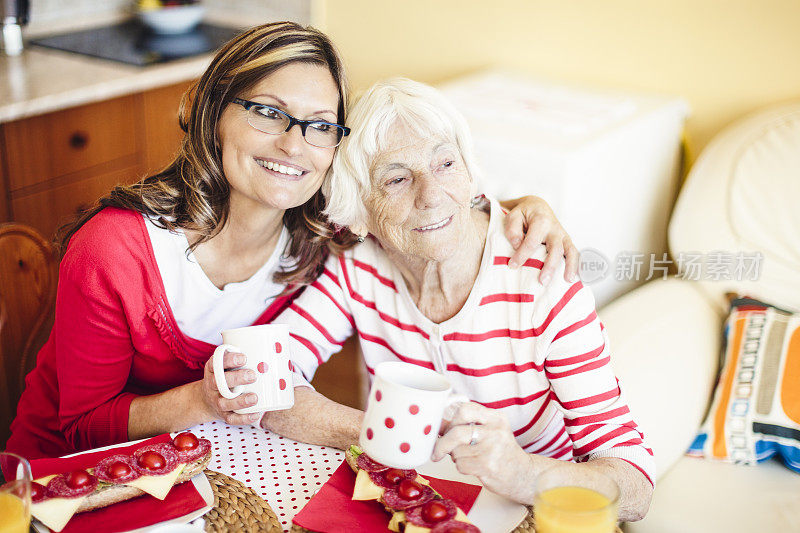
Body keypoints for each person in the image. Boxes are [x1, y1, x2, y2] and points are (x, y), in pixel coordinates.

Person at [6, 22, 576, 460]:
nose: (294, 145)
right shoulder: (115, 250)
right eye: (267, 113)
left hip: (202, 467)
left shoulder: (320, 237)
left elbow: (423, 200)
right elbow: (76, 426)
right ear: (214, 114)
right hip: (62, 482)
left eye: (320, 124)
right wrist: (201, 402)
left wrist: (520, 209)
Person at [266, 78, 654, 521]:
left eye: (446, 163)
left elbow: (637, 485)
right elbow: (269, 378)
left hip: (528, 516)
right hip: (408, 506)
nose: (432, 196)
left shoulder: (544, 282)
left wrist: (521, 472)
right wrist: (390, 429)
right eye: (396, 179)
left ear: (471, 174)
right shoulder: (359, 266)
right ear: (358, 211)